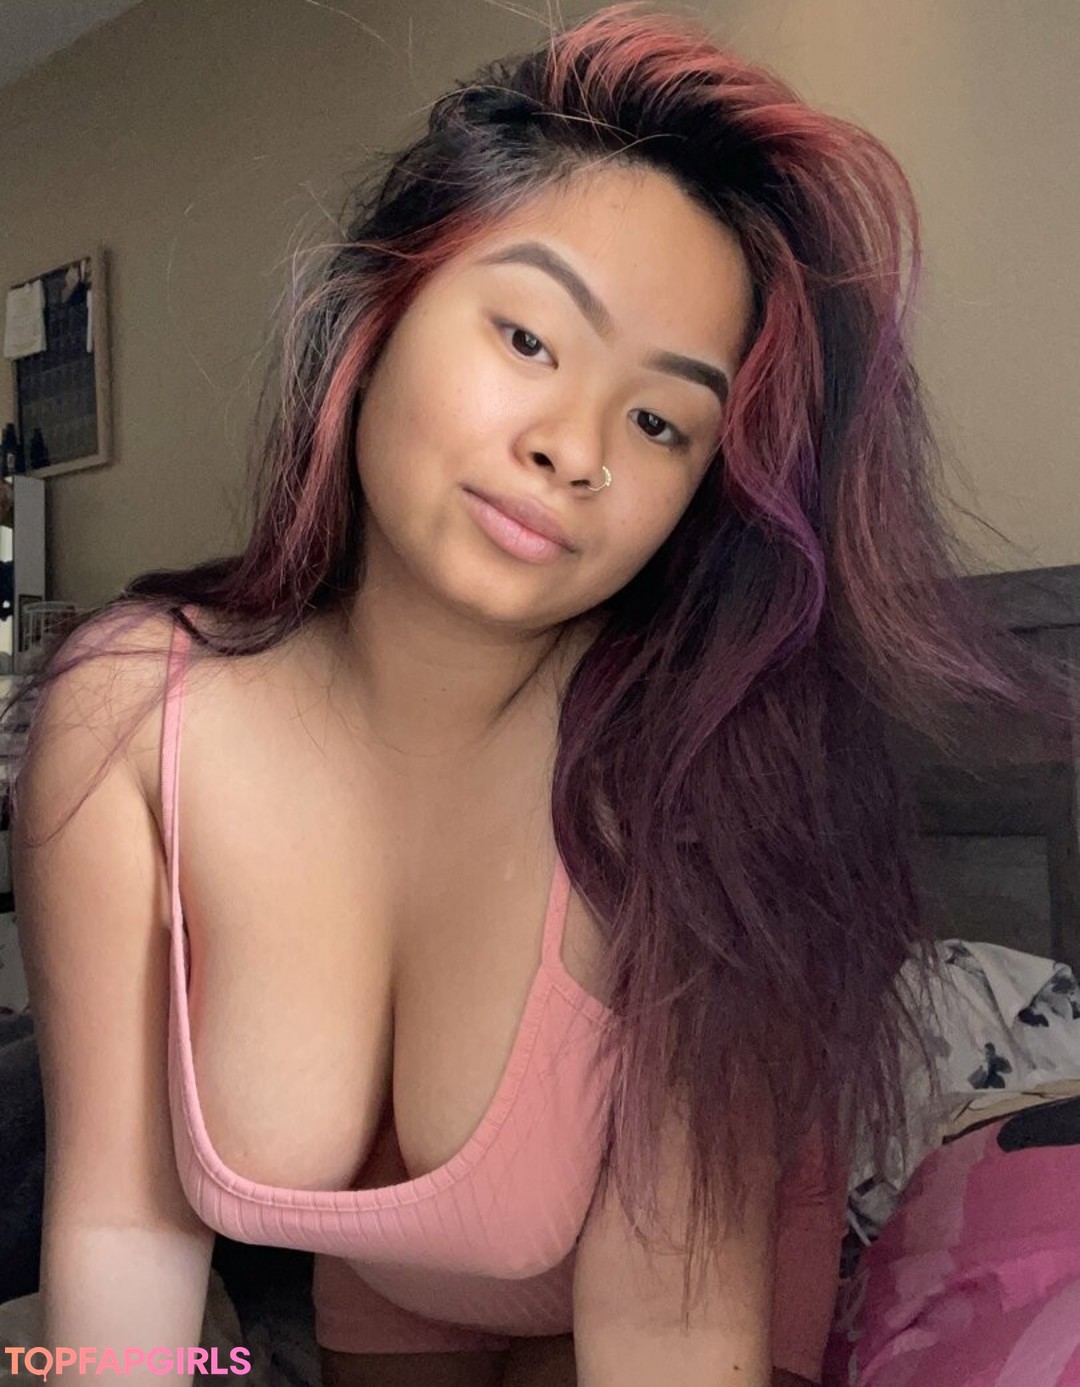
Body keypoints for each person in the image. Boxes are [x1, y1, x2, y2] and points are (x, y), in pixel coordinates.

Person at [6, 4, 1071, 1385]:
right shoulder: (128, 720)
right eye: (527, 338)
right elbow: (121, 1225)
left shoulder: (688, 781)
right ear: (381, 305)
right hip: (395, 1276)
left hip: (674, 1296)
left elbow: (667, 1335)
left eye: (661, 421)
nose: (576, 449)